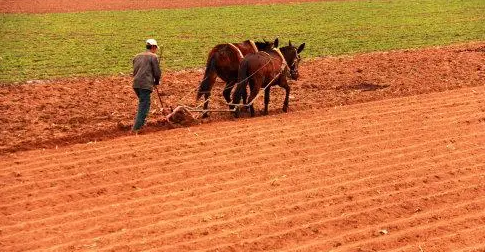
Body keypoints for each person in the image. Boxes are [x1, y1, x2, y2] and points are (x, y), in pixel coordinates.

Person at [132, 38, 162, 133]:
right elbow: (157, 73)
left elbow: (136, 70)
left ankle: (141, 123)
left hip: (136, 84)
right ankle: (137, 128)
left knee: (144, 102)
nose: (156, 50)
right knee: (144, 105)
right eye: (156, 48)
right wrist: (156, 81)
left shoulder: (136, 56)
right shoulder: (153, 57)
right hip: (145, 84)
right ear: (153, 47)